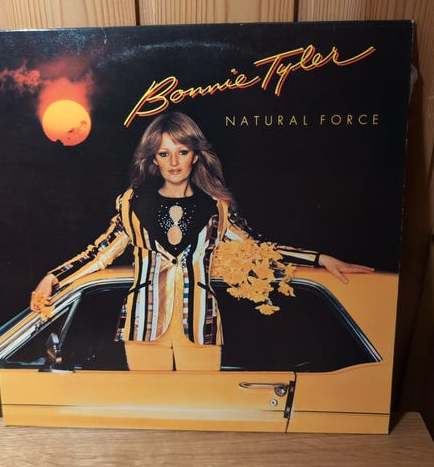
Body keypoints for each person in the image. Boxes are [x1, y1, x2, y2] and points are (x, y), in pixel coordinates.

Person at [30, 112, 373, 371]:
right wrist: (53, 276)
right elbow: (99, 254)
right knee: (150, 411)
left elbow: (258, 249)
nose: (173, 162)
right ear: (153, 159)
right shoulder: (131, 203)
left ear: (195, 155)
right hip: (141, 326)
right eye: (164, 154)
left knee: (198, 409)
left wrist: (319, 258)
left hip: (201, 326)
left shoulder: (217, 207)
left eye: (181, 152)